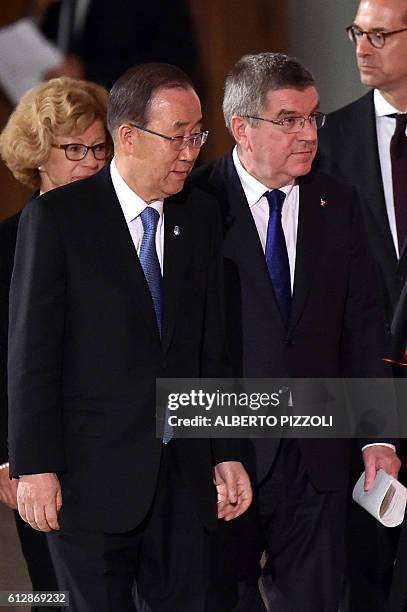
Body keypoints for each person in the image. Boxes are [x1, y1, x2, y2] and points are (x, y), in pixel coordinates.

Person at [7, 62, 252, 612]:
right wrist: (34, 466)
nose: (190, 151)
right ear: (128, 136)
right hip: (88, 484)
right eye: (178, 137)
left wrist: (226, 451)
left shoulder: (202, 216)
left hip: (184, 484)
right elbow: (32, 355)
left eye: (198, 136)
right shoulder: (58, 219)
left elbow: (211, 350)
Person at [189, 52, 401, 612]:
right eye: (289, 120)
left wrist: (378, 435)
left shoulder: (338, 201)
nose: (308, 134)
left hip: (318, 455)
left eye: (313, 118)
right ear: (241, 128)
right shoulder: (196, 206)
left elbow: (363, 324)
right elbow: (179, 342)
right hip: (225, 454)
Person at [0, 75, 110, 611]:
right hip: (41, 458)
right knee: (53, 595)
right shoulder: (6, 246)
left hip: (118, 452)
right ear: (38, 154)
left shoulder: (132, 234)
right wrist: (7, 455)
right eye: (74, 149)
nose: (90, 161)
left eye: (99, 147)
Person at [317, 0, 407, 607]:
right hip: (367, 392)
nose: (362, 47)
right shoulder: (326, 142)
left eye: (379, 34)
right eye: (357, 32)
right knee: (370, 576)